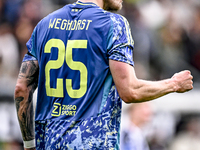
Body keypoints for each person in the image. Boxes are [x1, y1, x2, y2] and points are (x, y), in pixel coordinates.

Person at [14, 0, 193, 149]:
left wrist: (29, 144)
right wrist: (174, 84)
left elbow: (21, 89)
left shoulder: (44, 25)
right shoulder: (113, 24)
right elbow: (130, 91)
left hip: (49, 144)